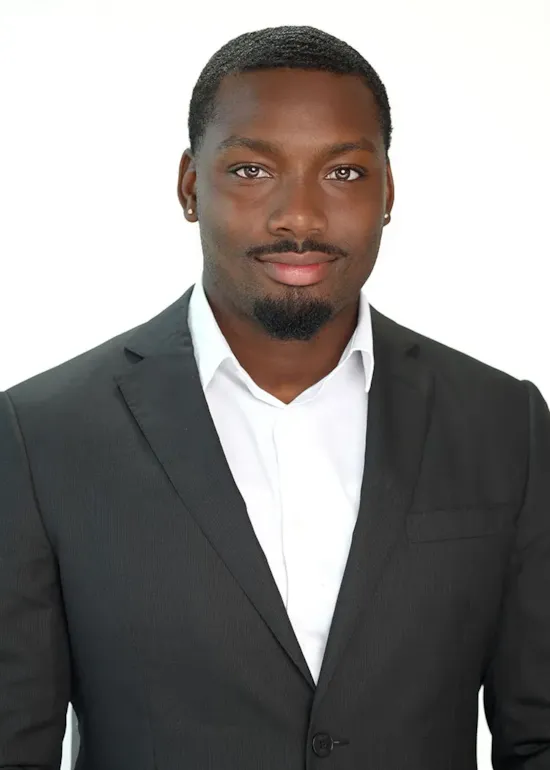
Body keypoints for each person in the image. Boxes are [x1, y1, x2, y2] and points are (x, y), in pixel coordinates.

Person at [0, 23, 548, 770]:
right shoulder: (40, 436)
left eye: (345, 173)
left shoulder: (502, 424)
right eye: (254, 171)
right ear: (192, 187)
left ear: (389, 191)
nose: (300, 216)